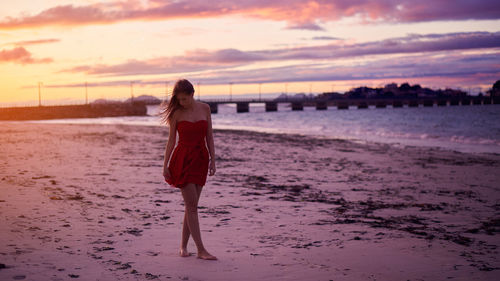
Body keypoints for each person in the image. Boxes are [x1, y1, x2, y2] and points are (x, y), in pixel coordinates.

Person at [159, 79, 217, 260]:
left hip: (201, 158)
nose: (181, 102)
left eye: (184, 99)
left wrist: (213, 160)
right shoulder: (176, 113)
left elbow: (209, 136)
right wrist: (165, 164)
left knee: (191, 206)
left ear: (193, 94)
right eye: (179, 99)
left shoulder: (205, 109)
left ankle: (183, 247)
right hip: (183, 160)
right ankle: (201, 250)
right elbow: (171, 141)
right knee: (192, 206)